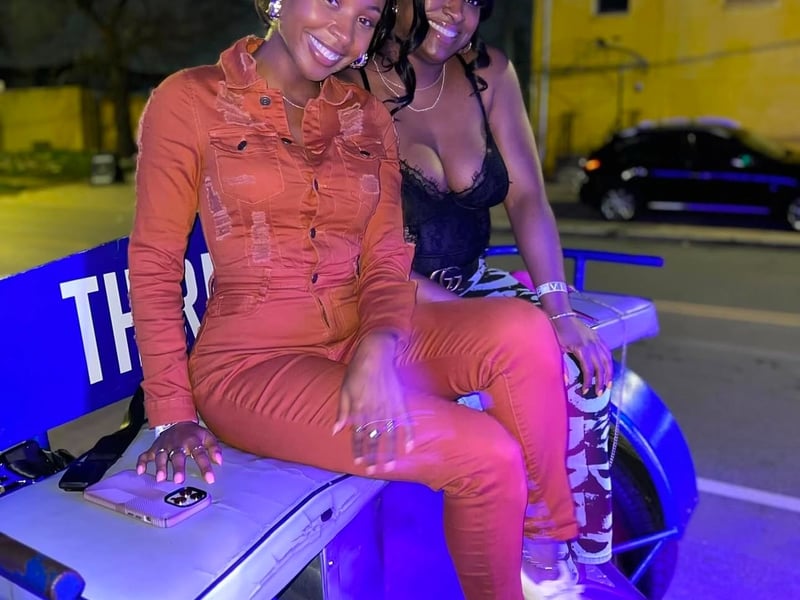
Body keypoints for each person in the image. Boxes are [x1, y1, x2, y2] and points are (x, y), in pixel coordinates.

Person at [129, 0, 581, 598]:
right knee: (487, 457)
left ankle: (546, 545)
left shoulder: (365, 117)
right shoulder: (190, 99)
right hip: (253, 366)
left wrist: (378, 345)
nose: (344, 32)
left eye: (365, 17)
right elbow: (155, 263)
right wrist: (172, 413)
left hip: (358, 335)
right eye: (332, 1)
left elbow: (387, 258)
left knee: (523, 329)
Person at [342, 0, 617, 586]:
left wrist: (558, 308)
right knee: (514, 362)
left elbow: (527, 197)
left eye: (472, 0)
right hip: (383, 294)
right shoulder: (348, 77)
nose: (456, 12)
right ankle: (533, 548)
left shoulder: (486, 71)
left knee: (581, 367)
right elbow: (349, 247)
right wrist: (487, 321)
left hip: (469, 280)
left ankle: (572, 558)